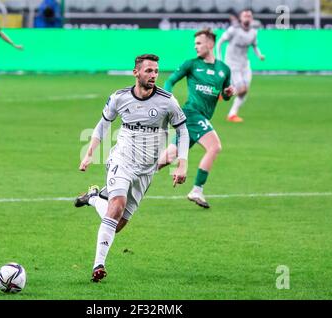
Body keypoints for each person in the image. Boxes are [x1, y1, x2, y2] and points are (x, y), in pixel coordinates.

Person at [75, 54, 189, 282]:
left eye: (156, 71)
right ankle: (98, 265)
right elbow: (102, 125)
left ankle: (94, 198)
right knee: (116, 206)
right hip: (122, 160)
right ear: (136, 72)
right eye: (148, 71)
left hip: (147, 170)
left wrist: (182, 164)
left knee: (117, 224)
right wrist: (89, 154)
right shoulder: (119, 98)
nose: (153, 75)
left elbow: (183, 130)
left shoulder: (168, 101)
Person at [158, 29, 235, 209]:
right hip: (191, 114)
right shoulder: (191, 64)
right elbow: (169, 81)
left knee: (169, 157)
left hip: (200, 118)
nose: (196, 47)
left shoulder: (224, 70)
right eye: (195, 44)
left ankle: (134, 176)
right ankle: (197, 190)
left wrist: (228, 93)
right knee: (214, 146)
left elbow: (225, 94)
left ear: (210, 44)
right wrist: (170, 100)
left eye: (199, 43)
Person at [216, 9, 265, 123]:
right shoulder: (233, 30)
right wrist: (219, 58)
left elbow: (254, 46)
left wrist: (259, 55)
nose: (247, 17)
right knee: (242, 89)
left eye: (249, 16)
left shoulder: (253, 32)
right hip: (233, 64)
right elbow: (219, 43)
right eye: (245, 15)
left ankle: (232, 113)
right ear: (240, 18)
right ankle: (224, 94)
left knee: (245, 91)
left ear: (251, 18)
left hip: (245, 65)